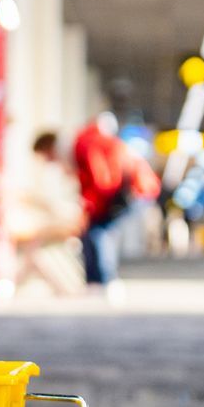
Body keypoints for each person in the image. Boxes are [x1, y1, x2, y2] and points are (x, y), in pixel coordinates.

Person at [7, 131, 86, 295]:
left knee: (36, 242)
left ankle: (17, 282)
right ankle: (58, 287)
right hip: (73, 213)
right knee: (35, 245)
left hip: (80, 213)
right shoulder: (68, 158)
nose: (48, 162)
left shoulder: (71, 155)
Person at [72, 112, 133, 293]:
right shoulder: (103, 142)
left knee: (99, 236)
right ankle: (101, 280)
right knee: (101, 236)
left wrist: (91, 203)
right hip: (110, 195)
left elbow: (101, 178)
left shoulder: (88, 143)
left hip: (105, 198)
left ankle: (103, 279)